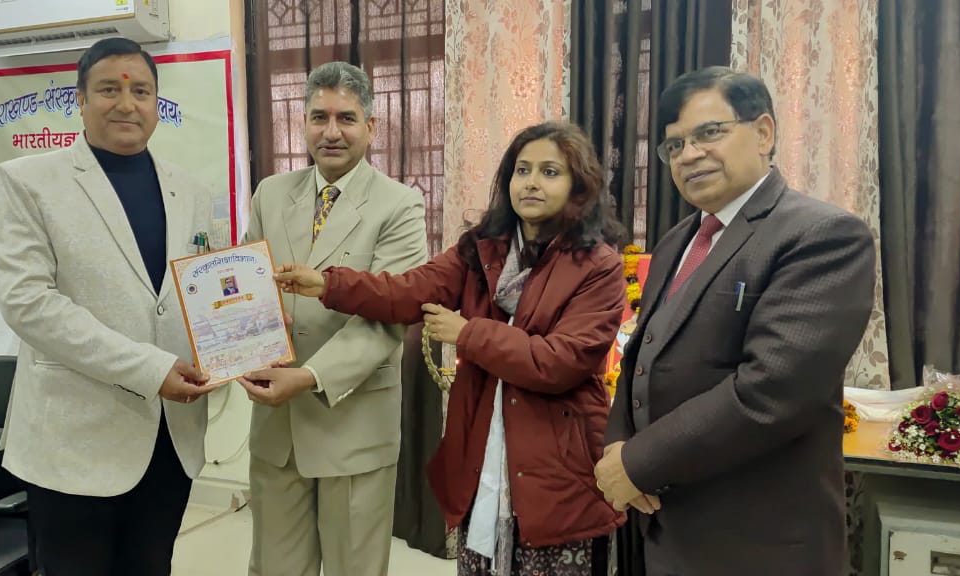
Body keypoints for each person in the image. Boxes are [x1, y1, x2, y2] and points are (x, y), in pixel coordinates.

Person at [273, 122, 629, 576]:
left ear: (579, 186)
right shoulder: (482, 250)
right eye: (522, 170)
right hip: (483, 455)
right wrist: (328, 284)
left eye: (550, 172)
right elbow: (407, 291)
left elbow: (559, 362)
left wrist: (467, 334)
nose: (531, 183)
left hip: (561, 471)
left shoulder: (599, 265)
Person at [594, 66, 876, 575]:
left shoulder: (821, 235)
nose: (689, 154)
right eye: (675, 145)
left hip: (755, 541)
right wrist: (617, 444)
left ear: (763, 132)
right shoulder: (675, 242)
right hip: (665, 528)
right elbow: (640, 355)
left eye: (709, 132)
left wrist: (637, 463)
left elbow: (770, 390)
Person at [0, 37, 219, 576]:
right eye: (109, 89)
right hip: (76, 440)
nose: (126, 104)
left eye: (141, 91)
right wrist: (150, 369)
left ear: (156, 102)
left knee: (152, 566)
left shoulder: (191, 190)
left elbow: (200, 289)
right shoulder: (26, 181)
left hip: (171, 437)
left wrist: (246, 339)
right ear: (81, 99)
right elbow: (28, 304)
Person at [238, 61, 428, 576]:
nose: (331, 132)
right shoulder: (271, 193)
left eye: (346, 118)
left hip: (353, 424)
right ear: (302, 123)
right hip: (277, 428)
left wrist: (309, 377)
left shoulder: (399, 205)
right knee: (275, 568)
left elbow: (388, 316)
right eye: (319, 117)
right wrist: (237, 345)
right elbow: (249, 290)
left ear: (371, 126)